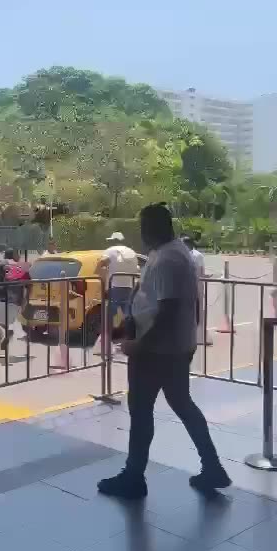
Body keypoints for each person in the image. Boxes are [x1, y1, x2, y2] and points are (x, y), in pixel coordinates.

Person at [98, 204, 230, 499]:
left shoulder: (169, 258)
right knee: (182, 404)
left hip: (158, 350)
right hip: (172, 347)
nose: (142, 234)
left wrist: (140, 344)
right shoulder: (168, 251)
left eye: (144, 227)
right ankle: (213, 467)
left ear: (154, 227)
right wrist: (132, 314)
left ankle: (134, 476)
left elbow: (168, 309)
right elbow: (151, 293)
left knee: (141, 410)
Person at [0, 248, 28, 354]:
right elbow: (28, 285)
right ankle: (1, 344)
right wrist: (25, 301)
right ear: (13, 255)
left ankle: (2, 341)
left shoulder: (1, 264)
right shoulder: (21, 267)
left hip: (0, 299)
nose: (19, 256)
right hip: (15, 302)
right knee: (6, 325)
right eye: (18, 254)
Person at [181, 235, 213, 346]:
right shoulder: (181, 255)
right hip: (184, 289)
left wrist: (206, 276)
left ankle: (198, 337)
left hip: (196, 288)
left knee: (197, 313)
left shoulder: (197, 256)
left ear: (189, 244)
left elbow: (200, 271)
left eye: (183, 243)